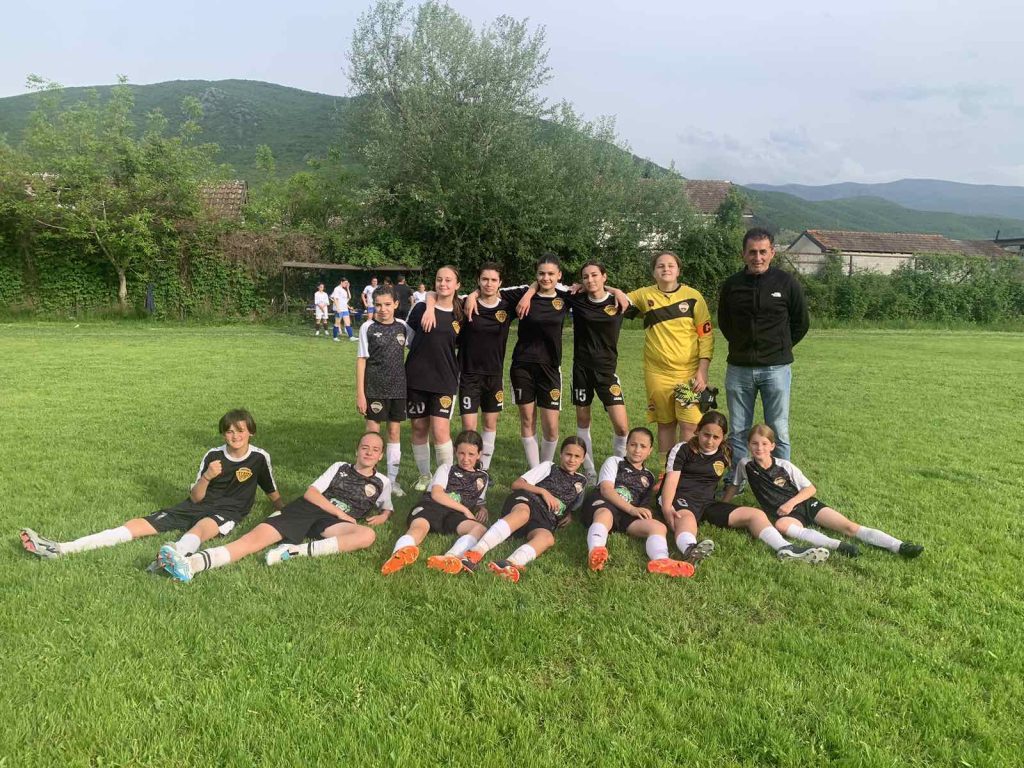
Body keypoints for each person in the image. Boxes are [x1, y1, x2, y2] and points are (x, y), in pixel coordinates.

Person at [20, 409, 282, 566]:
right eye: (229, 432)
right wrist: (207, 477)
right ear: (223, 434)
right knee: (138, 524)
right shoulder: (213, 455)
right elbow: (195, 497)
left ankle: (175, 556)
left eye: (240, 431)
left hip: (227, 512)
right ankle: (63, 548)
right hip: (197, 504)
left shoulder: (260, 458)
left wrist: (283, 510)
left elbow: (270, 488)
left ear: (251, 432)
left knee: (202, 528)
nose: (235, 436)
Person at [158, 433, 392, 582]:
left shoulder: (383, 482)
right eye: (365, 447)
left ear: (381, 455)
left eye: (375, 450)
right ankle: (192, 564)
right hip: (308, 509)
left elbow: (387, 507)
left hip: (333, 524)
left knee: (367, 535)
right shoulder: (339, 467)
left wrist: (384, 515)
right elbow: (311, 493)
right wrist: (340, 512)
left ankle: (292, 552)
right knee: (251, 541)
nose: (369, 452)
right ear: (357, 450)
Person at [723, 424, 924, 558]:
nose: (759, 448)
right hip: (786, 515)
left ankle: (899, 546)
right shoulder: (745, 465)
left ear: (772, 446)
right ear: (748, 445)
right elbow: (734, 485)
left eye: (764, 443)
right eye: (754, 443)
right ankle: (838, 546)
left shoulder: (784, 465)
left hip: (804, 504)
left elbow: (810, 488)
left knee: (850, 527)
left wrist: (790, 503)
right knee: (782, 525)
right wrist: (723, 505)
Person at [660, 411, 829, 565]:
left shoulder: (725, 452)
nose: (710, 441)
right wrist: (667, 507)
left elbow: (732, 483)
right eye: (706, 434)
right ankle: (690, 550)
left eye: (716, 437)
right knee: (687, 518)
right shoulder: (682, 449)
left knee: (756, 515)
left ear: (723, 437)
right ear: (697, 430)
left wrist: (724, 504)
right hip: (680, 498)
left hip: (708, 503)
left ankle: (785, 548)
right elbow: (671, 480)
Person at [465, 254, 570, 468]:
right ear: (536, 275)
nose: (546, 278)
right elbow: (490, 289)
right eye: (541, 273)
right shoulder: (520, 293)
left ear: (559, 275)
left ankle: (545, 469)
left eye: (551, 274)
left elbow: (594, 288)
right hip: (522, 366)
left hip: (550, 367)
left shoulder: (567, 296)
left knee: (551, 426)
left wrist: (616, 292)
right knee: (527, 420)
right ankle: (535, 471)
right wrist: (471, 296)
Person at [717, 227, 809, 472]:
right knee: (738, 430)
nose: (757, 257)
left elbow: (801, 322)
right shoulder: (732, 285)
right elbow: (725, 322)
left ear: (772, 253)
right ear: (743, 254)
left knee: (778, 429)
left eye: (762, 252)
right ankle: (736, 481)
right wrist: (742, 345)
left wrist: (780, 347)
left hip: (776, 368)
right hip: (739, 368)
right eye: (752, 252)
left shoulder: (787, 283)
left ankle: (780, 480)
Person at [454, 436, 588, 583]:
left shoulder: (582, 482)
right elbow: (517, 484)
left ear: (583, 459)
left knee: (547, 538)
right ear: (561, 454)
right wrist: (543, 492)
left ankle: (510, 563)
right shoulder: (549, 467)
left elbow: (573, 504)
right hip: (528, 501)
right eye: (568, 454)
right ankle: (475, 553)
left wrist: (570, 514)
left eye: (577, 456)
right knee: (522, 514)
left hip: (546, 518)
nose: (572, 459)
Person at [623, 251, 714, 461]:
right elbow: (617, 300)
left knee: (690, 425)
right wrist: (593, 286)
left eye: (671, 265)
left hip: (689, 374)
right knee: (666, 424)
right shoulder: (644, 295)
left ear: (678, 270)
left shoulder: (693, 296)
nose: (666, 269)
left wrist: (702, 371)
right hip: (657, 374)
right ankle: (667, 471)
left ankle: (686, 471)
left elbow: (706, 336)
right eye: (661, 266)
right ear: (654, 272)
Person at [424, 263, 513, 473]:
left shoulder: (507, 305)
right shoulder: (464, 304)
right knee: (469, 428)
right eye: (484, 279)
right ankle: (467, 471)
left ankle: (484, 470)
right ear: (478, 281)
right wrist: (472, 296)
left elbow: (535, 287)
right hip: (468, 375)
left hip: (494, 375)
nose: (489, 283)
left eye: (493, 280)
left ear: (500, 283)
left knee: (490, 425)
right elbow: (432, 294)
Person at [581, 427, 693, 577]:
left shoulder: (649, 477)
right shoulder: (615, 461)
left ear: (650, 450)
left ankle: (661, 560)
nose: (637, 450)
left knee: (658, 527)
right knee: (605, 514)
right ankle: (595, 551)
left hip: (626, 513)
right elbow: (606, 490)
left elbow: (643, 505)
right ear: (627, 445)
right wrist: (632, 510)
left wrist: (645, 512)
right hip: (605, 503)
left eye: (643, 446)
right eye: (633, 444)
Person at [380, 430, 490, 575]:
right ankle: (399, 554)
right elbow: (437, 494)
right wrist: (465, 510)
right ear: (455, 451)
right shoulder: (446, 469)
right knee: (419, 528)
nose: (465, 459)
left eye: (471, 454)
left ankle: (451, 557)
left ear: (479, 454)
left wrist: (482, 508)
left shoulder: (482, 477)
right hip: (431, 507)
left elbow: (479, 499)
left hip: (454, 516)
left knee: (480, 529)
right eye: (461, 453)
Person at [405, 266, 463, 491]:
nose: (443, 284)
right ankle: (424, 476)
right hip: (416, 377)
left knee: (440, 431)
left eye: (448, 280)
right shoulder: (420, 308)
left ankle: (444, 479)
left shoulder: (461, 312)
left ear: (457, 285)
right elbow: (408, 340)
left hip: (445, 379)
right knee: (419, 428)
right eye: (439, 279)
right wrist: (430, 306)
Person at [356, 285, 412, 496]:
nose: (383, 309)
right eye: (378, 305)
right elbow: (361, 360)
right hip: (374, 389)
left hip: (398, 390)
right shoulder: (367, 327)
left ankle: (391, 481)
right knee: (372, 434)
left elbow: (418, 349)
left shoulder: (404, 327)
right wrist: (360, 394)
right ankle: (368, 478)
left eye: (387, 304)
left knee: (394, 433)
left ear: (396, 304)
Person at [330, 277, 356, 342]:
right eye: (345, 283)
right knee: (337, 323)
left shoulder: (344, 290)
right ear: (341, 282)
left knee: (348, 323)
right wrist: (338, 308)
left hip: (345, 309)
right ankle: (335, 337)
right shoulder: (337, 289)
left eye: (347, 283)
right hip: (339, 309)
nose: (346, 284)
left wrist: (348, 288)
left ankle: (351, 337)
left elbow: (348, 298)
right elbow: (335, 299)